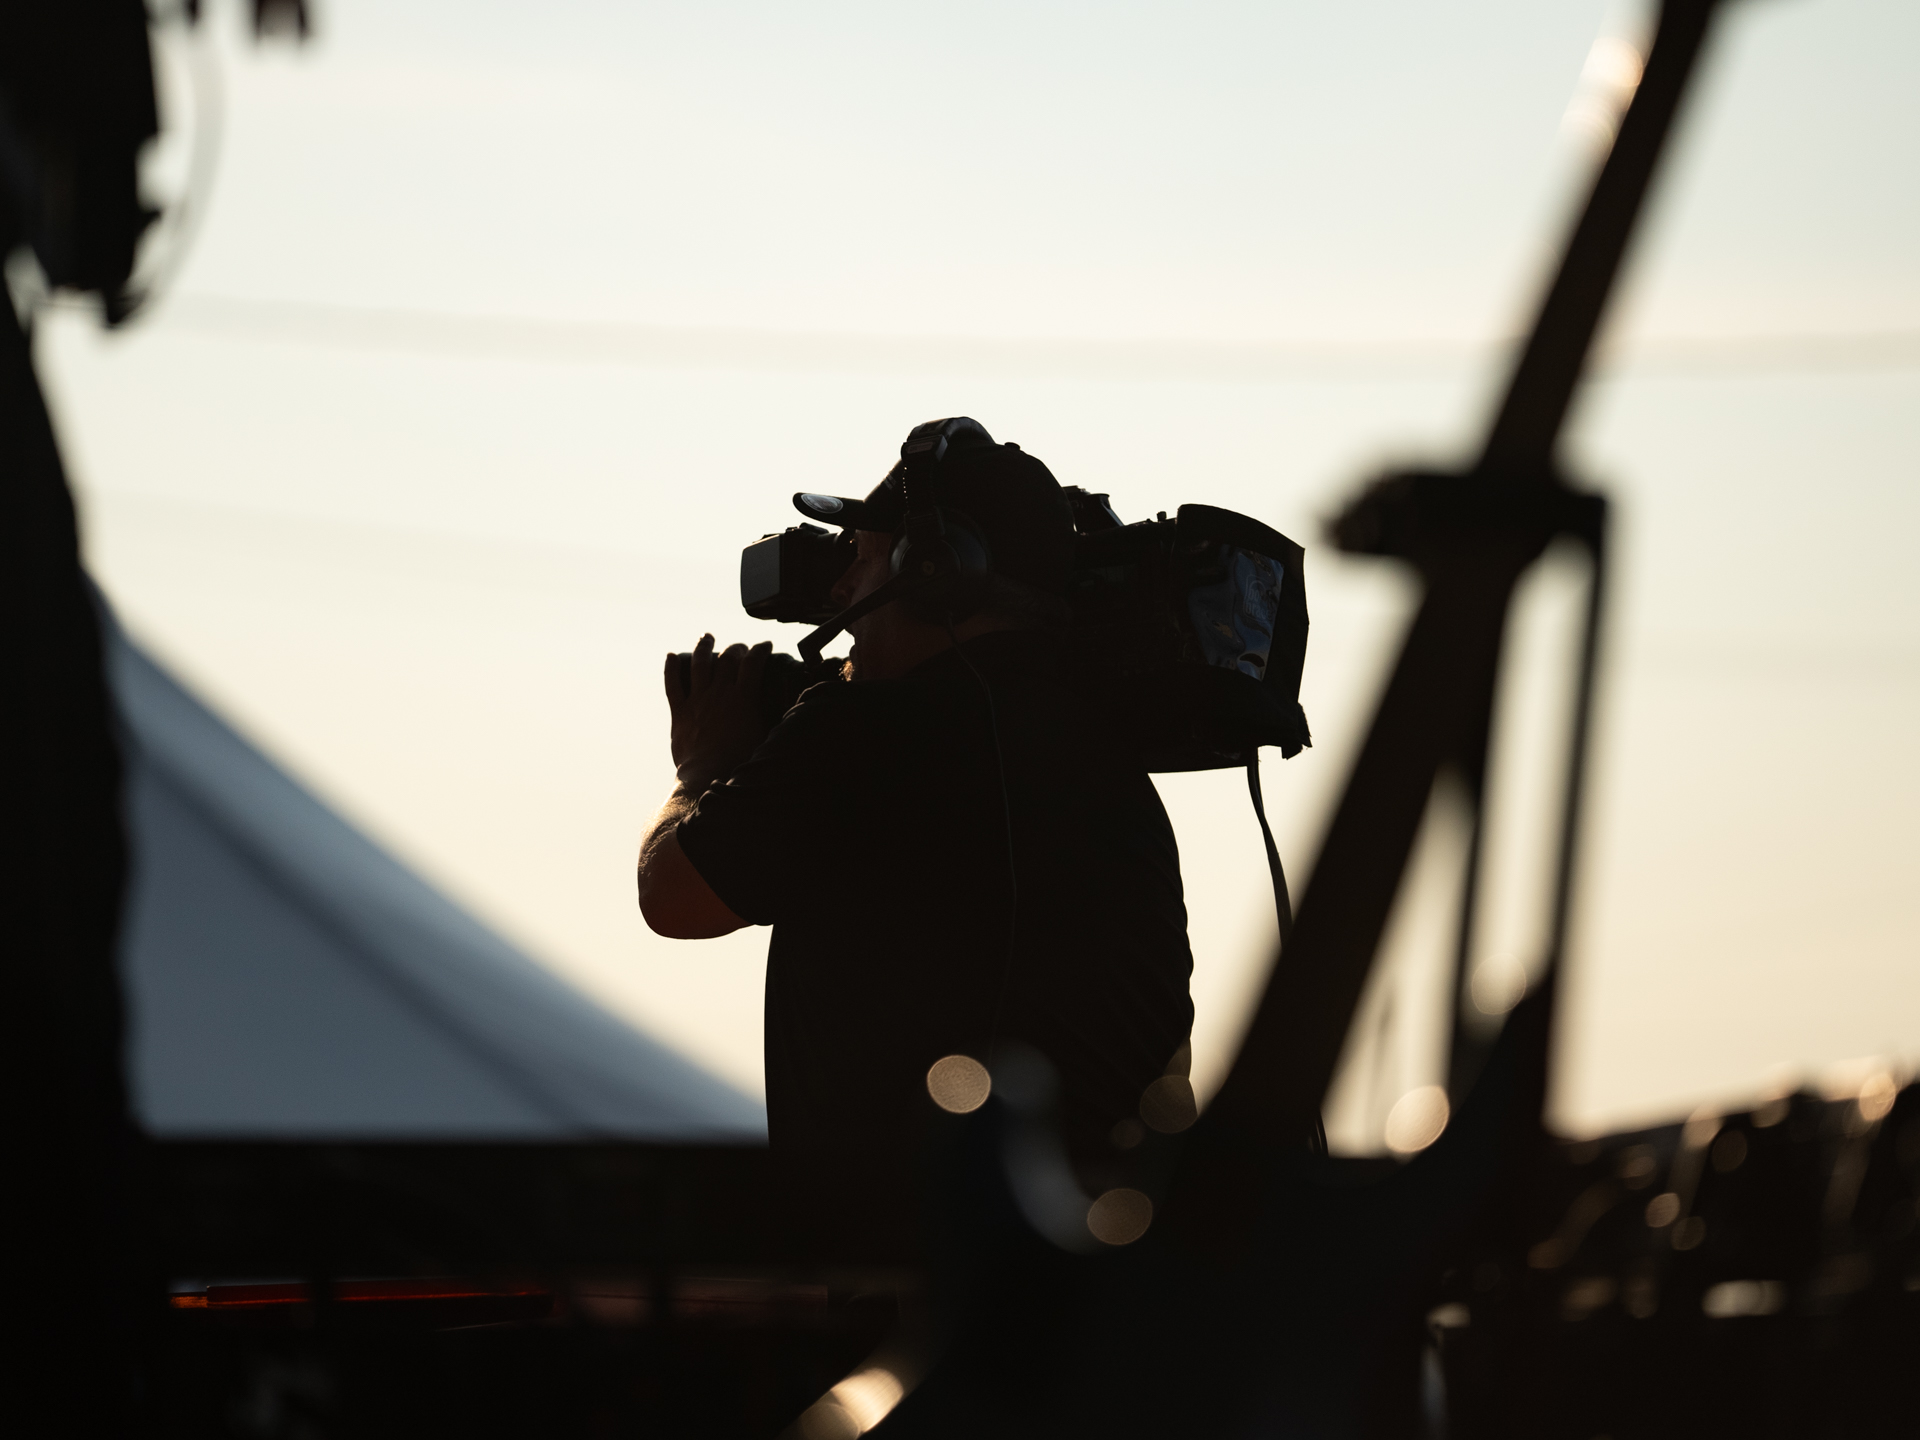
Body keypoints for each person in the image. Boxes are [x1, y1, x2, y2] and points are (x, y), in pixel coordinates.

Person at [635, 420, 1193, 1248]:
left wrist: (704, 766)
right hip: (1110, 1265)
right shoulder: (1108, 763)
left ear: (933, 575)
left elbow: (675, 896)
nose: (839, 597)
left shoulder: (871, 731)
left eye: (859, 559)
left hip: (924, 1280)